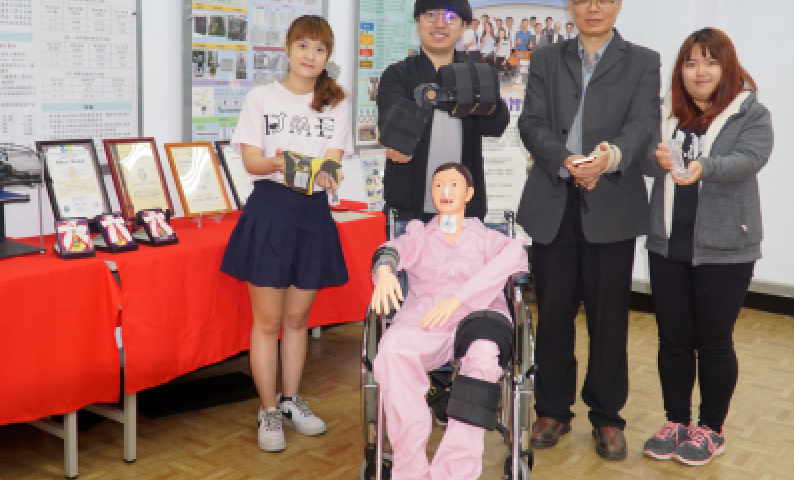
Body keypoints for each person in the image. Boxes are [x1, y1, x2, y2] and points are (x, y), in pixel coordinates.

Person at [516, 0, 661, 460]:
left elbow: (642, 125)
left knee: (609, 317)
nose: (592, 7)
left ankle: (607, 416)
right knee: (553, 313)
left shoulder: (643, 61)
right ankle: (551, 409)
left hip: (612, 202)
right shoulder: (546, 58)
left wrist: (607, 159)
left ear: (617, 4)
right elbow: (531, 122)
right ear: (570, 6)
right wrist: (567, 161)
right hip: (552, 200)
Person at [220, 15, 353, 452]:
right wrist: (278, 163)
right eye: (303, 46)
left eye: (319, 48)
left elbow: (332, 161)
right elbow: (251, 162)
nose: (310, 56)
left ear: (327, 56)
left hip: (313, 213)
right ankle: (268, 409)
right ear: (288, 48)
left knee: (298, 320)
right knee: (267, 322)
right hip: (270, 210)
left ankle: (291, 401)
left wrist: (327, 173)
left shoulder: (336, 102)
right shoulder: (261, 98)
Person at [640, 28, 773, 466]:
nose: (701, 72)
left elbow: (749, 159)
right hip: (667, 244)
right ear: (681, 69)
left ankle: (711, 429)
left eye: (711, 62)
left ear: (727, 67)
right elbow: (644, 160)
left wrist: (703, 166)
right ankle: (676, 422)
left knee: (714, 342)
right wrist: (654, 159)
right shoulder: (665, 114)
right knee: (673, 340)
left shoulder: (751, 113)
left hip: (725, 247)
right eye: (692, 62)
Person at [371, 162, 529, 480]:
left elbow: (516, 255)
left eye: (454, 185)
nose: (445, 190)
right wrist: (385, 269)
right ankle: (410, 470)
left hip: (477, 320)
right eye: (439, 185)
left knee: (484, 356)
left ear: (469, 193)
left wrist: (460, 297)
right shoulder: (419, 234)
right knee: (391, 352)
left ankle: (455, 471)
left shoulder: (487, 238)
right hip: (425, 320)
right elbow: (391, 249)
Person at [378, 0, 510, 236]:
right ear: (417, 23)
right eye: (431, 15)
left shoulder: (477, 74)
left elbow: (497, 125)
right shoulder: (397, 75)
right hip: (408, 213)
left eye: (450, 17)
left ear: (462, 27)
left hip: (464, 211)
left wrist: (487, 103)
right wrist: (442, 94)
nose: (440, 24)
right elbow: (393, 131)